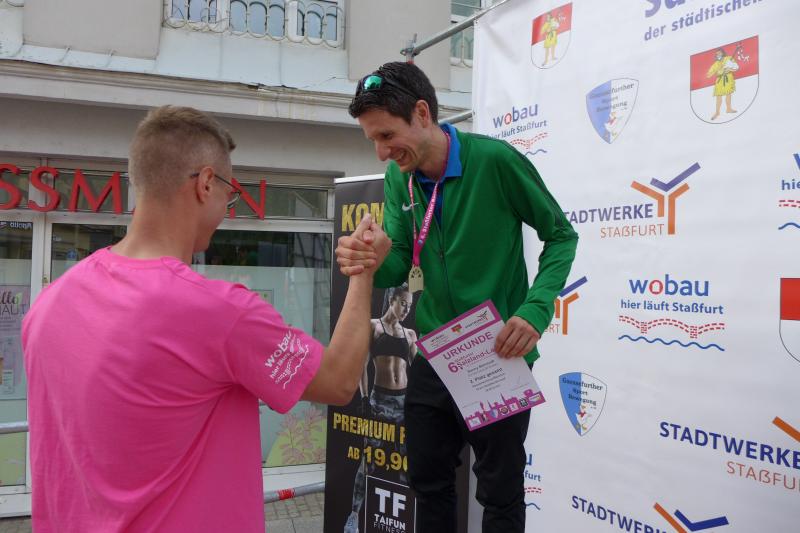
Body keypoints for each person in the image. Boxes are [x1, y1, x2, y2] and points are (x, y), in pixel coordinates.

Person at [22, 105, 390, 532]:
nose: (227, 209)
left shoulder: (49, 303)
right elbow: (339, 380)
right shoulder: (218, 312)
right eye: (229, 194)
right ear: (206, 183)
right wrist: (364, 271)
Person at [336, 62, 578, 533]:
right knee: (428, 485)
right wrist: (374, 257)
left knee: (500, 495)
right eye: (373, 141)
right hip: (435, 354)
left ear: (422, 113)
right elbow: (401, 263)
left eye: (387, 135)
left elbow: (561, 236)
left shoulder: (495, 161)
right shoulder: (400, 177)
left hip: (497, 354)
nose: (382, 152)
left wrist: (534, 310)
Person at [344, 284, 417, 533]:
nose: (406, 309)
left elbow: (419, 371)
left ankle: (406, 517)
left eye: (410, 306)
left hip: (404, 403)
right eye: (403, 303)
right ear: (391, 299)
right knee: (368, 461)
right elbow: (361, 365)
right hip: (380, 402)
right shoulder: (374, 327)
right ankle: (354, 515)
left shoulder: (410, 334)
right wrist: (365, 399)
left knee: (406, 462)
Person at [706, 47, 739, 120]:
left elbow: (736, 67)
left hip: (728, 79)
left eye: (719, 53)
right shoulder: (716, 64)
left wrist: (729, 69)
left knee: (728, 94)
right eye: (717, 54)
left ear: (723, 53)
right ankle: (717, 112)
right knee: (718, 96)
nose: (718, 55)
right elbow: (708, 75)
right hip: (719, 80)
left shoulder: (729, 58)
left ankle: (728, 109)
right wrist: (717, 72)